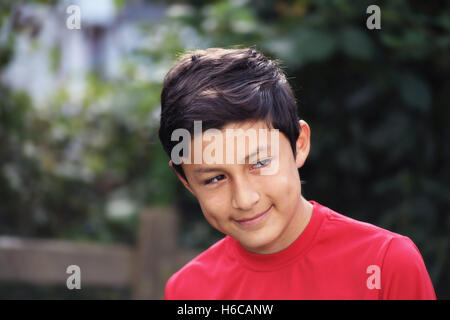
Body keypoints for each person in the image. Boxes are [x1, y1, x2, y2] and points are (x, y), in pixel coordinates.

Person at [158, 47, 436, 299]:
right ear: (186, 181)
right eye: (215, 178)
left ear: (299, 144)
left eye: (260, 163)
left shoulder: (386, 263)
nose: (245, 199)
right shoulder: (189, 290)